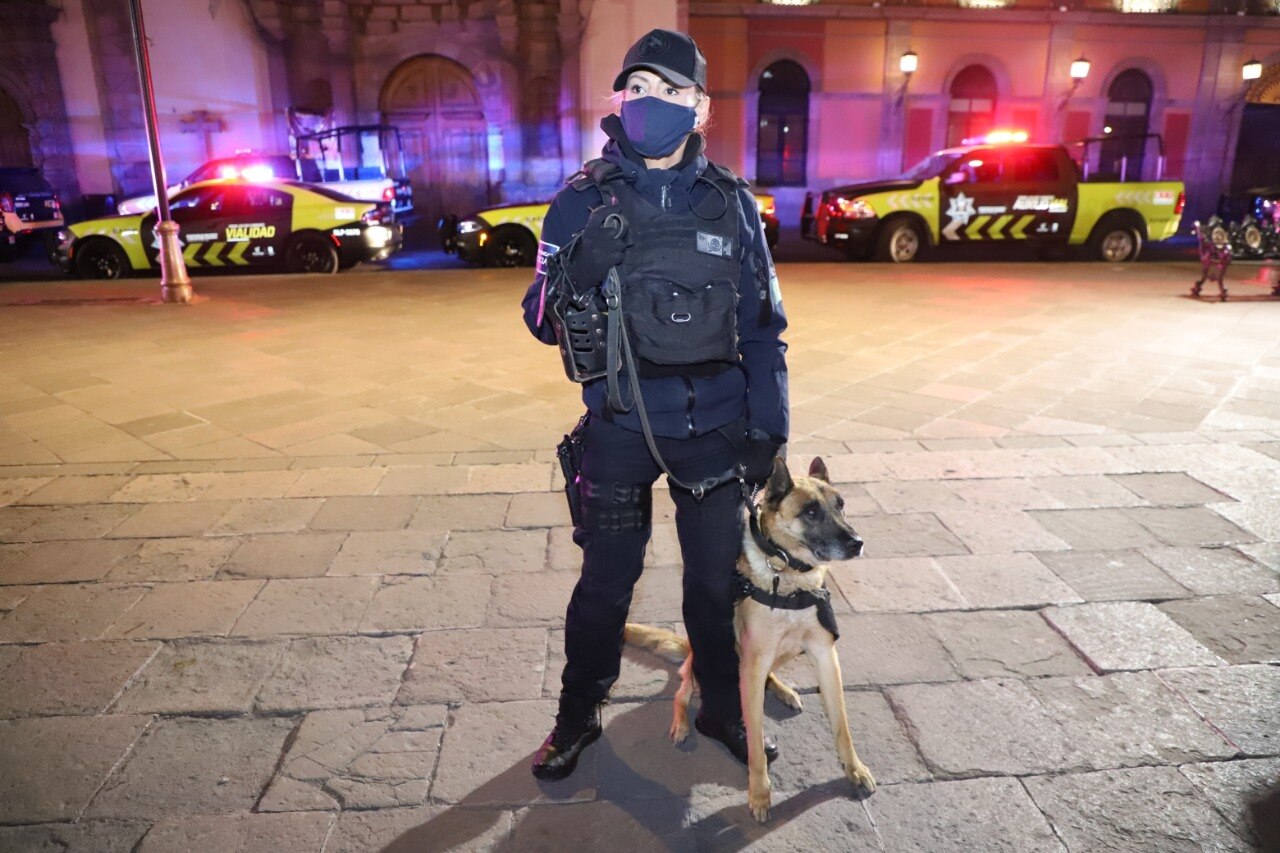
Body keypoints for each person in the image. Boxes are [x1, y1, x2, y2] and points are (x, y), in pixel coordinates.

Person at [520, 28, 789, 781]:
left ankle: (724, 708)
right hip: (620, 423)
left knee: (715, 583)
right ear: (620, 99)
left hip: (714, 427)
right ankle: (578, 713)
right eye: (639, 88)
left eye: (671, 91)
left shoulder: (732, 204)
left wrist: (770, 429)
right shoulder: (579, 201)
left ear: (700, 108)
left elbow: (764, 325)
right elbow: (539, 319)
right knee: (605, 584)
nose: (652, 102)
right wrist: (580, 266)